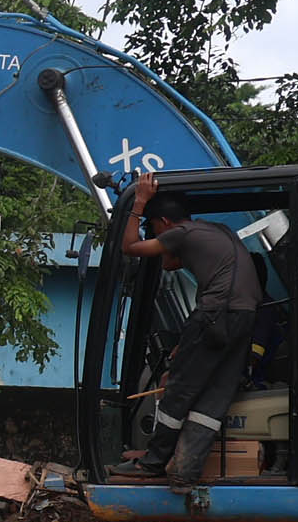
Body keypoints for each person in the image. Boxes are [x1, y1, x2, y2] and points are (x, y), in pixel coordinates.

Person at [113, 175, 263, 485]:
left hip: (215, 311)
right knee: (214, 397)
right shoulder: (217, 231)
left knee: (178, 388)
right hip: (244, 315)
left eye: (154, 229)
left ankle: (152, 463)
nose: (154, 235)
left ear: (165, 222)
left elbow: (129, 247)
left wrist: (139, 202)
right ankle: (184, 470)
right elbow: (170, 264)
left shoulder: (180, 233)